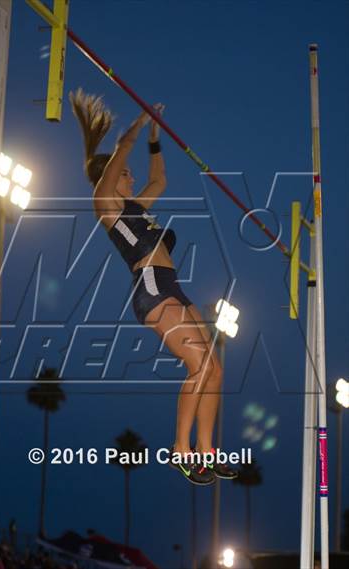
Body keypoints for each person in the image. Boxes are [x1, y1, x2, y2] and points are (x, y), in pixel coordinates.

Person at [70, 88, 237, 485]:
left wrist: (155, 137)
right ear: (109, 177)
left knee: (214, 368)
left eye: (128, 172)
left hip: (172, 286)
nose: (130, 176)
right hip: (152, 289)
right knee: (197, 365)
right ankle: (180, 451)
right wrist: (139, 123)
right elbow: (120, 154)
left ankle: (206, 451)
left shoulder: (135, 209)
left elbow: (159, 180)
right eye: (124, 173)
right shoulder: (105, 205)